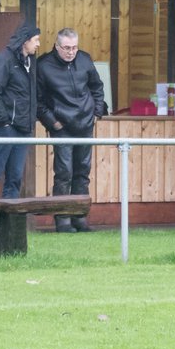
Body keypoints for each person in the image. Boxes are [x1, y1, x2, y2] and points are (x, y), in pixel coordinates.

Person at [36, 28, 107, 233]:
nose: (71, 52)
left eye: (74, 47)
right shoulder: (43, 66)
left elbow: (97, 87)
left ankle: (79, 218)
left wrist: (96, 112)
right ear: (57, 46)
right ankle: (63, 220)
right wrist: (53, 123)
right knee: (64, 173)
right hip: (62, 126)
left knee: (83, 172)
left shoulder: (84, 59)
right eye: (66, 48)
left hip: (85, 124)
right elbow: (38, 101)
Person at [0, 23, 41, 231]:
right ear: (26, 41)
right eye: (36, 40)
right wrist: (4, 119)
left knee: (14, 177)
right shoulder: (4, 60)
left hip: (23, 128)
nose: (38, 45)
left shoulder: (30, 62)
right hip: (4, 127)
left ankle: (8, 220)